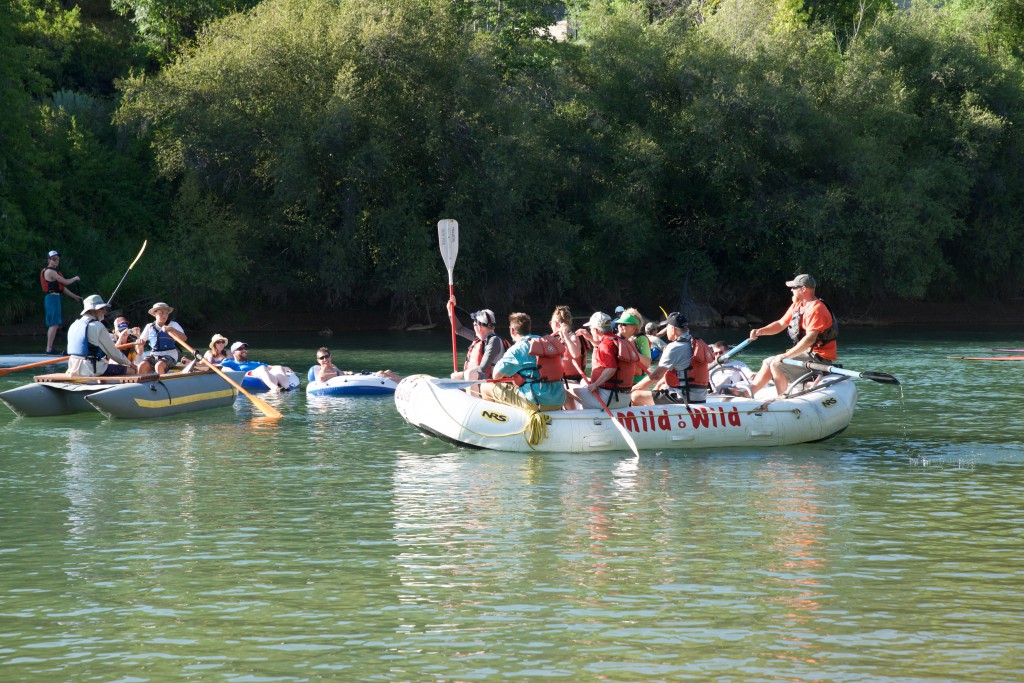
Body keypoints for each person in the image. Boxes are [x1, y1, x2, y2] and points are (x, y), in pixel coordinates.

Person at [747, 274, 838, 397]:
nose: (791, 290)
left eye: (794, 287)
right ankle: (748, 393)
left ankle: (782, 399)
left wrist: (787, 355)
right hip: (805, 354)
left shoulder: (817, 309)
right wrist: (760, 331)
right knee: (768, 362)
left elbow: (810, 339)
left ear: (803, 289)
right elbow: (780, 324)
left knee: (777, 364)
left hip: (819, 358)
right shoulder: (798, 305)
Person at [482, 313, 567, 412]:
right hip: (558, 400)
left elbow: (496, 375)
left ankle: (498, 422)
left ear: (512, 330)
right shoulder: (544, 342)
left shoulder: (516, 349)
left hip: (536, 402)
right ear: (529, 328)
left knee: (486, 387)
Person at [632, 312, 715, 406]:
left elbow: (656, 376)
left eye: (666, 327)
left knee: (635, 396)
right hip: (700, 397)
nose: (665, 330)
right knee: (663, 386)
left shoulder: (675, 347)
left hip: (683, 398)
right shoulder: (697, 343)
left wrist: (635, 388)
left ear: (673, 329)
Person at [566, 311, 638, 410]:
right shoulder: (619, 340)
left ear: (595, 330)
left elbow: (611, 368)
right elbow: (603, 349)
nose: (590, 331)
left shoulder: (606, 344)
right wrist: (589, 338)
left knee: (566, 391)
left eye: (590, 329)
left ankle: (575, 421)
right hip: (625, 399)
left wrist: (595, 385)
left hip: (609, 399)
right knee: (583, 384)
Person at [66, 295, 136, 377]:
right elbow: (113, 352)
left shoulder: (74, 324)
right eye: (101, 308)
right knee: (131, 371)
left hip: (72, 368)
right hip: (91, 369)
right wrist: (131, 364)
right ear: (91, 310)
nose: (105, 311)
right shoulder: (97, 326)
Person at [446, 295, 506, 380]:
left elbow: (482, 368)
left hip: (492, 386)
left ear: (479, 327)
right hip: (480, 382)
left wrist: (460, 375)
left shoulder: (494, 341)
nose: (473, 326)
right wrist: (450, 310)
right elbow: (459, 329)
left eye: (474, 324)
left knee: (460, 378)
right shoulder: (480, 338)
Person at [41, 250, 82, 354]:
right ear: (49, 260)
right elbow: (66, 282)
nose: (56, 261)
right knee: (54, 324)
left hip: (55, 298)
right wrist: (75, 278)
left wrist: (75, 297)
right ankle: (49, 350)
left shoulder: (55, 272)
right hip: (51, 299)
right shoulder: (50, 272)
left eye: (57, 259)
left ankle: (49, 349)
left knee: (55, 324)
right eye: (54, 259)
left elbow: (62, 288)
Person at [221, 341, 294, 391]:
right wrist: (233, 373)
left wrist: (284, 367)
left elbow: (270, 367)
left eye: (244, 348)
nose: (243, 350)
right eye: (240, 349)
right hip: (247, 376)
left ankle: (286, 388)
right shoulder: (230, 362)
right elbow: (219, 367)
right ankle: (276, 389)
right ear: (233, 352)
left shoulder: (254, 363)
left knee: (278, 367)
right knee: (261, 368)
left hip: (264, 375)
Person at [136, 302, 186, 375]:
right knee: (141, 366)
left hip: (170, 355)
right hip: (154, 355)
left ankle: (163, 383)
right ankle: (141, 384)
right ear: (154, 314)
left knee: (159, 365)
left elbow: (184, 338)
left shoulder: (173, 325)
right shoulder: (149, 327)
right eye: (162, 313)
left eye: (166, 313)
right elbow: (139, 347)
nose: (165, 315)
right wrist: (139, 344)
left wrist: (172, 329)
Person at [310, 347, 402, 383]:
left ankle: (405, 381)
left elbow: (339, 372)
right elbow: (321, 378)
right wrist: (339, 374)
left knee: (387, 371)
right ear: (318, 360)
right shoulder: (324, 369)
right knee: (381, 374)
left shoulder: (333, 366)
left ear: (330, 357)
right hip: (349, 380)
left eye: (326, 356)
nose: (325, 359)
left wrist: (345, 372)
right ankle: (401, 383)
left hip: (352, 376)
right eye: (322, 358)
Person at [615, 309, 653, 384]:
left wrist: (632, 348)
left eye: (624, 324)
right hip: (619, 381)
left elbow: (647, 364)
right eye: (620, 323)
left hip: (636, 382)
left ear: (634, 327)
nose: (620, 326)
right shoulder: (615, 338)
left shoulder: (641, 339)